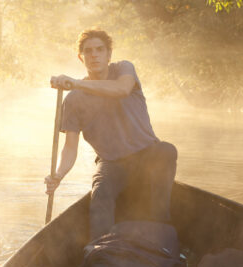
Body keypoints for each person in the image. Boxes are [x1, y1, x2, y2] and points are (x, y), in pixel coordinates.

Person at [45, 28, 178, 241]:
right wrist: (58, 175)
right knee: (100, 194)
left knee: (167, 151)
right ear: (81, 57)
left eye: (100, 50)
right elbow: (70, 148)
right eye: (88, 51)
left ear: (109, 55)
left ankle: (159, 233)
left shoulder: (124, 70)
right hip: (113, 162)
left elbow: (122, 90)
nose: (94, 55)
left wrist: (78, 83)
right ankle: (101, 250)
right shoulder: (73, 100)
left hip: (148, 154)